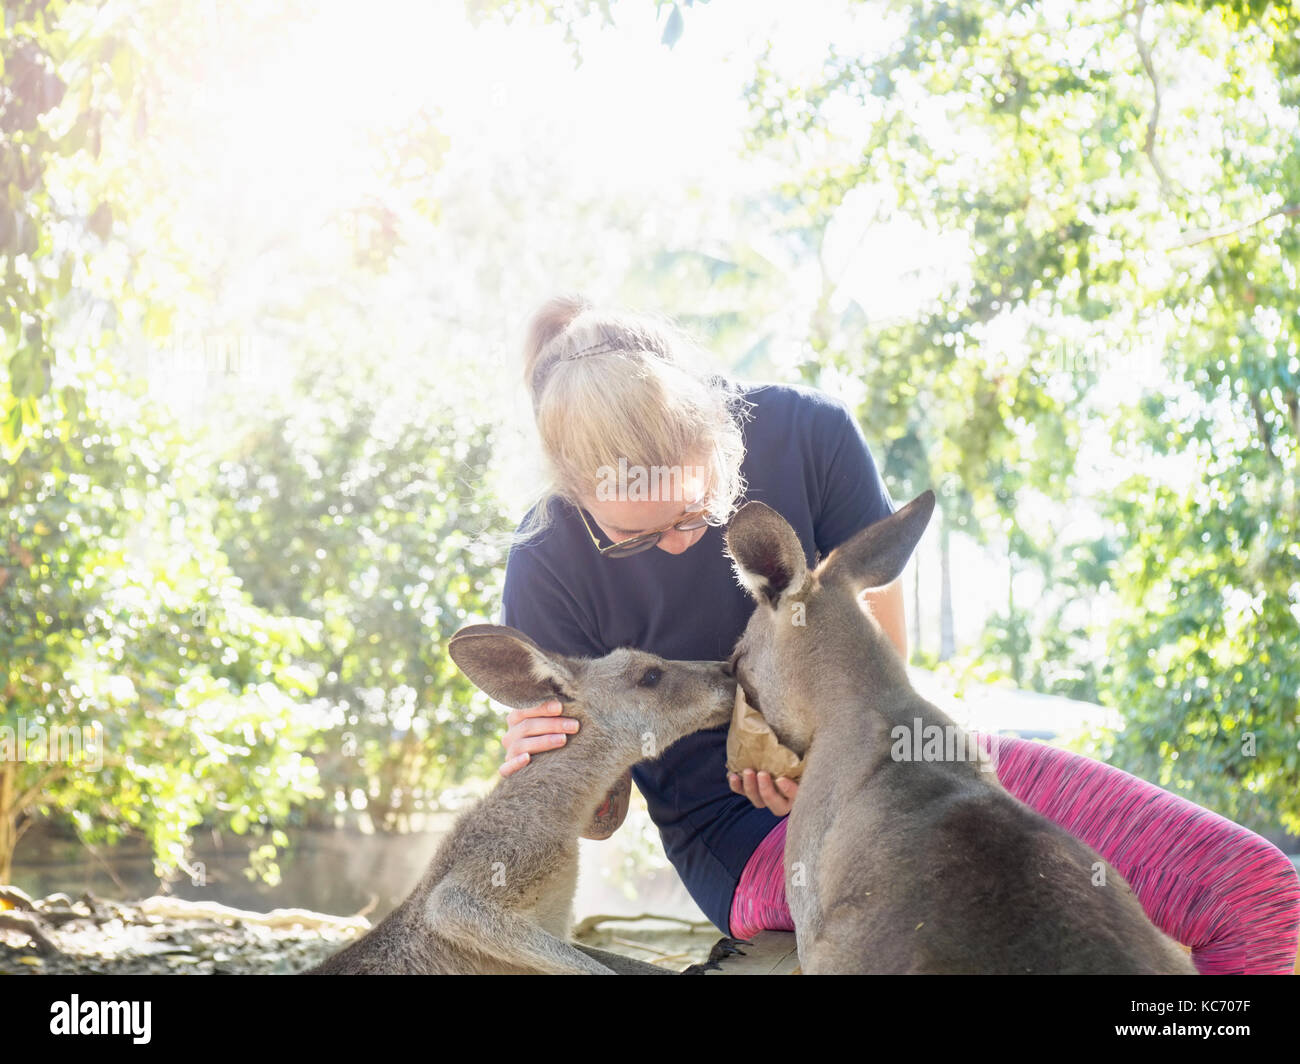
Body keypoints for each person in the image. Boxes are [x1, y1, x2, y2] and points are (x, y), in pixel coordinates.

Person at [496, 294, 1300, 974]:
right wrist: (548, 769)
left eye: (695, 516)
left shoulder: (808, 434)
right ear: (574, 492)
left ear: (718, 435)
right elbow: (602, 820)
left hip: (898, 759)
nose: (675, 545)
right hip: (739, 839)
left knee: (1257, 893)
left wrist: (825, 756)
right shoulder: (546, 563)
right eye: (634, 539)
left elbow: (888, 668)